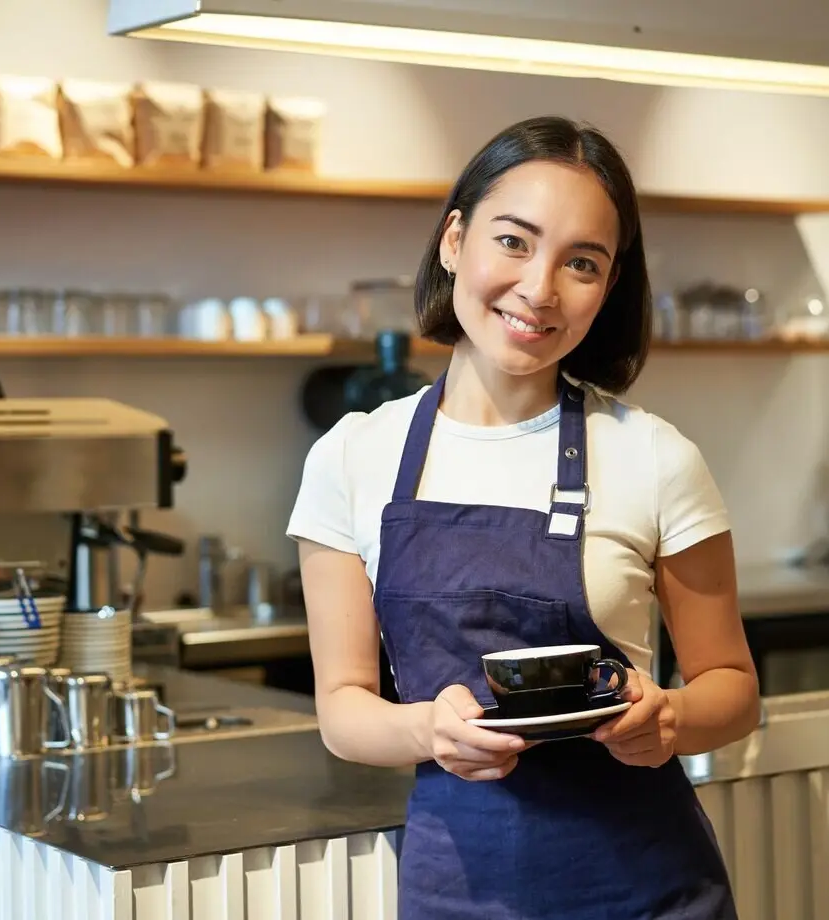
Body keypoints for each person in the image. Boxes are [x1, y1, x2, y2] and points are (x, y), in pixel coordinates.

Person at [286, 115, 759, 919]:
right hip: (456, 891)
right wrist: (431, 732)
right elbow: (343, 709)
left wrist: (671, 716)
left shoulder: (654, 455)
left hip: (647, 891)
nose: (540, 289)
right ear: (453, 241)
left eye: (582, 263)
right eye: (513, 241)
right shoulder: (353, 455)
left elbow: (734, 689)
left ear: (608, 287)